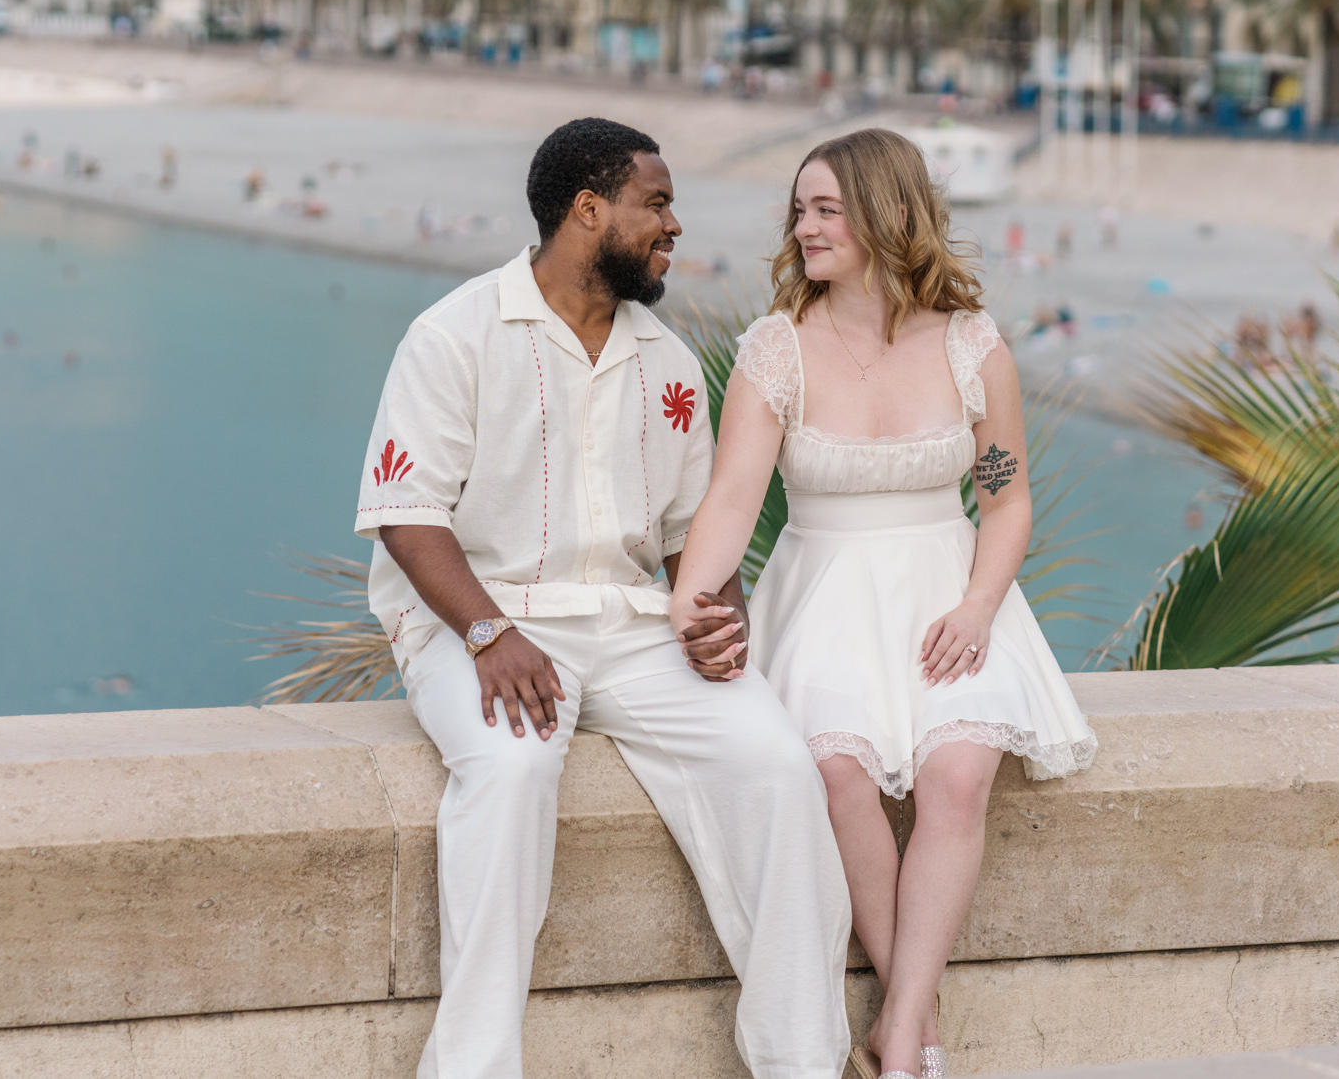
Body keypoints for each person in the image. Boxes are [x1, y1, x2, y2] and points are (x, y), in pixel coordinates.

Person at [355, 118, 852, 1079]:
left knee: (778, 767)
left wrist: (717, 616)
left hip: (630, 627)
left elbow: (683, 541)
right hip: (479, 620)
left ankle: (802, 1060)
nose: (675, 224)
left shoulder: (666, 359)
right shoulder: (454, 334)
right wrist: (490, 631)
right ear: (589, 210)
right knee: (510, 769)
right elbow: (408, 513)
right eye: (655, 202)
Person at [670, 128, 1097, 1079]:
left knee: (957, 776)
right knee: (834, 774)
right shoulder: (775, 350)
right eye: (800, 209)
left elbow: (1006, 495)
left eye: (827, 208)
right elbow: (734, 496)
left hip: (950, 592)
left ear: (888, 215)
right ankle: (919, 1011)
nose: (804, 225)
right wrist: (691, 607)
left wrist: (981, 606)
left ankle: (899, 1033)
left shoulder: (971, 346)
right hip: (821, 591)